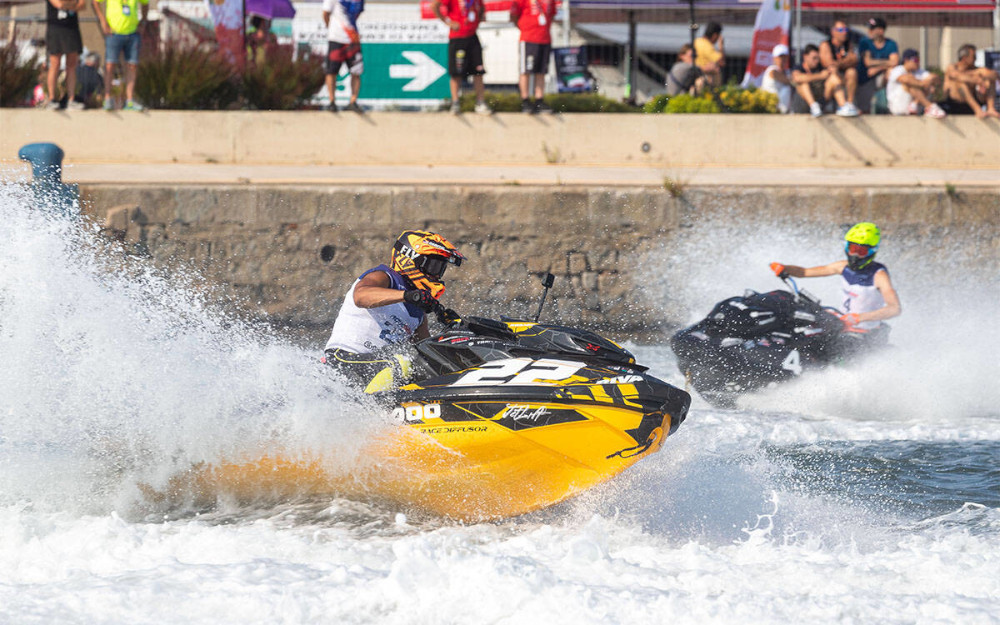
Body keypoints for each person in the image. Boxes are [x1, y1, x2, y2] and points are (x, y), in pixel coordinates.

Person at [323, 230, 465, 393]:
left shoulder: (418, 314)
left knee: (423, 371)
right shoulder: (385, 277)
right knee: (401, 364)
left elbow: (427, 354)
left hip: (375, 368)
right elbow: (360, 297)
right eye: (434, 266)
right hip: (343, 360)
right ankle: (374, 409)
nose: (437, 275)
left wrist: (452, 331)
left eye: (441, 269)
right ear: (411, 258)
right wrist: (408, 295)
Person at [770, 222, 901, 345]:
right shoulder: (842, 267)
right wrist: (785, 268)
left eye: (861, 251)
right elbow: (804, 272)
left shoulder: (879, 275)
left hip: (861, 333)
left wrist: (860, 317)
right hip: (840, 324)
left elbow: (894, 309)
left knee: (828, 348)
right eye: (852, 248)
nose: (854, 254)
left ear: (872, 251)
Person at [432, 0, 492, 115]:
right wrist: (448, 22)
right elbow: (434, 5)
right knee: (456, 72)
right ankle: (455, 103)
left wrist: (479, 18)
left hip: (472, 37)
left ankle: (480, 102)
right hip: (457, 38)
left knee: (478, 71)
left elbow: (482, 8)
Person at [91, 0, 148, 111]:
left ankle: (130, 100)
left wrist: (143, 21)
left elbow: (145, 3)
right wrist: (103, 21)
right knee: (110, 65)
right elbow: (95, 2)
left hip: (132, 33)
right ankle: (107, 98)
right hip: (114, 32)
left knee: (132, 65)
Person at [510, 0, 556, 114]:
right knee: (525, 70)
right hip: (528, 38)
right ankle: (525, 100)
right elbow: (514, 15)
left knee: (541, 71)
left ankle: (539, 100)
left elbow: (552, 14)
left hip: (545, 38)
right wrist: (525, 27)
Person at [322, 0, 364, 113]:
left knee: (356, 71)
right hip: (336, 39)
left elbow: (357, 13)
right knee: (331, 71)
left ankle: (353, 101)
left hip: (352, 39)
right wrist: (331, 28)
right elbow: (325, 14)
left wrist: (350, 28)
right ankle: (332, 102)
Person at [792, 43, 856, 117]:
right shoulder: (798, 67)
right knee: (803, 83)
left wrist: (836, 72)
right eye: (814, 58)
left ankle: (844, 106)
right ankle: (813, 106)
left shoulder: (820, 67)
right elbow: (797, 78)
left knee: (833, 79)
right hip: (802, 106)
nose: (816, 61)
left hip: (820, 102)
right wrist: (820, 76)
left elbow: (840, 82)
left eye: (818, 58)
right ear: (805, 57)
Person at [45, 0, 86, 110]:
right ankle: (51, 99)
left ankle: (71, 99)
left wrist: (69, 5)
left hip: (72, 28)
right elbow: (59, 4)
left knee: (72, 65)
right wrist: (73, 4)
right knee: (55, 64)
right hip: (56, 27)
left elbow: (82, 5)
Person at [943, 44, 1000, 119]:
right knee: (961, 83)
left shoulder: (976, 69)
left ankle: (991, 108)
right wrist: (977, 80)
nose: (975, 59)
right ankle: (978, 110)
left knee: (990, 80)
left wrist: (983, 79)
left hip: (972, 103)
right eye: (974, 57)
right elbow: (956, 75)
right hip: (955, 102)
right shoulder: (953, 67)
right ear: (964, 58)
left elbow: (994, 75)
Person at [855, 17, 899, 113]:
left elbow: (894, 62)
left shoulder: (891, 44)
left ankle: (890, 106)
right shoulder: (865, 42)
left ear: (881, 30)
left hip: (881, 79)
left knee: (891, 71)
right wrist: (887, 62)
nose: (869, 31)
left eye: (872, 29)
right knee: (863, 109)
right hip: (865, 78)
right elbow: (868, 62)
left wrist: (878, 68)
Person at [887, 49, 945, 118]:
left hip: (915, 110)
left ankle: (915, 103)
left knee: (929, 86)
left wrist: (928, 82)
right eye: (916, 60)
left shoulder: (919, 71)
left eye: (919, 60)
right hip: (898, 108)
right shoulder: (898, 70)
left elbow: (935, 77)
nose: (918, 62)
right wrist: (922, 84)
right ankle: (930, 106)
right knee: (911, 84)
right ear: (906, 60)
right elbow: (906, 80)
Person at [819, 19, 860, 116]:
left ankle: (849, 104)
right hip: (827, 82)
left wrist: (839, 63)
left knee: (852, 72)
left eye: (846, 30)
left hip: (842, 77)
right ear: (833, 31)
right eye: (841, 30)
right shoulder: (826, 45)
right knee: (834, 76)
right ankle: (842, 105)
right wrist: (846, 61)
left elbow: (854, 59)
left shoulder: (847, 45)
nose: (844, 33)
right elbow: (829, 64)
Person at [760, 44, 792, 114]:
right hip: (769, 106)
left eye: (784, 57)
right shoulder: (771, 70)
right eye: (780, 57)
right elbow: (785, 79)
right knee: (787, 89)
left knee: (787, 89)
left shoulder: (788, 72)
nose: (782, 60)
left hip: (780, 107)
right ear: (774, 58)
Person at [693, 21, 724, 87]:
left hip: (693, 75)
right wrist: (721, 46)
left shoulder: (697, 41)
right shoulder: (708, 46)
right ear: (715, 35)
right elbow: (721, 62)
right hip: (704, 77)